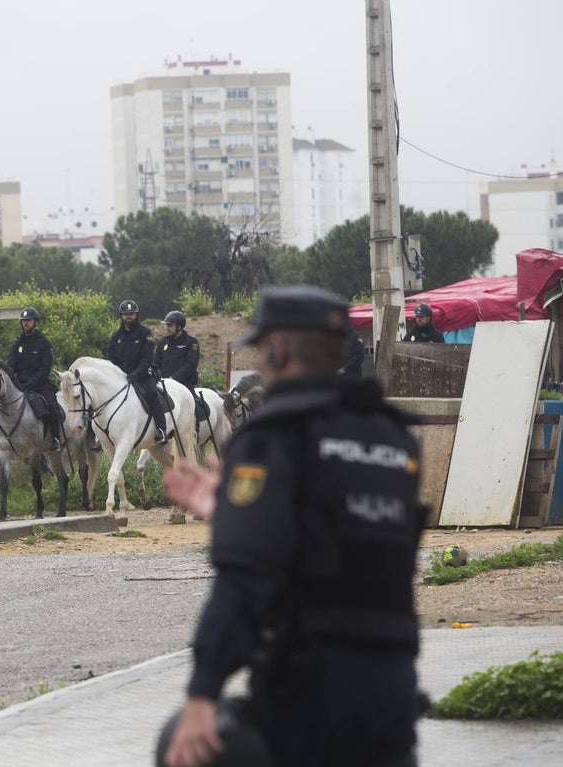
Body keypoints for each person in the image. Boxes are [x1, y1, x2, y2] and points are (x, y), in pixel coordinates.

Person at [159, 286, 426, 767]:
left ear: (276, 350)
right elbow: (340, 538)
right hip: (391, 686)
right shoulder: (393, 437)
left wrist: (202, 693)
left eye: (262, 350)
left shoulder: (273, 437)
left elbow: (243, 584)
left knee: (185, 746)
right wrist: (235, 513)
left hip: (308, 688)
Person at [106, 299, 167, 444]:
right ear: (120, 316)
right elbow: (110, 357)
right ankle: (98, 435)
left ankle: (161, 429)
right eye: (125, 314)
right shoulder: (116, 337)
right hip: (120, 378)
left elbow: (147, 359)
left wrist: (135, 375)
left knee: (153, 393)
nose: (128, 317)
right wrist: (116, 374)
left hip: (142, 376)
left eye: (131, 314)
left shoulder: (145, 333)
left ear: (137, 315)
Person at [6, 307, 63, 452]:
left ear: (35, 322)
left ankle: (56, 438)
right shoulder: (17, 344)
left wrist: (31, 384)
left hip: (40, 386)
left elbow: (45, 369)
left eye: (29, 321)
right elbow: (11, 365)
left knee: (51, 405)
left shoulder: (44, 344)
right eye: (24, 321)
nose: (26, 323)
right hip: (20, 386)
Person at [155, 310, 200, 390]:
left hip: (185, 385)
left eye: (169, 325)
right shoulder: (163, 342)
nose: (167, 328)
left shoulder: (191, 342)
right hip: (164, 385)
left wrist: (174, 379)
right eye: (166, 325)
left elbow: (191, 365)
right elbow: (156, 363)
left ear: (179, 327)